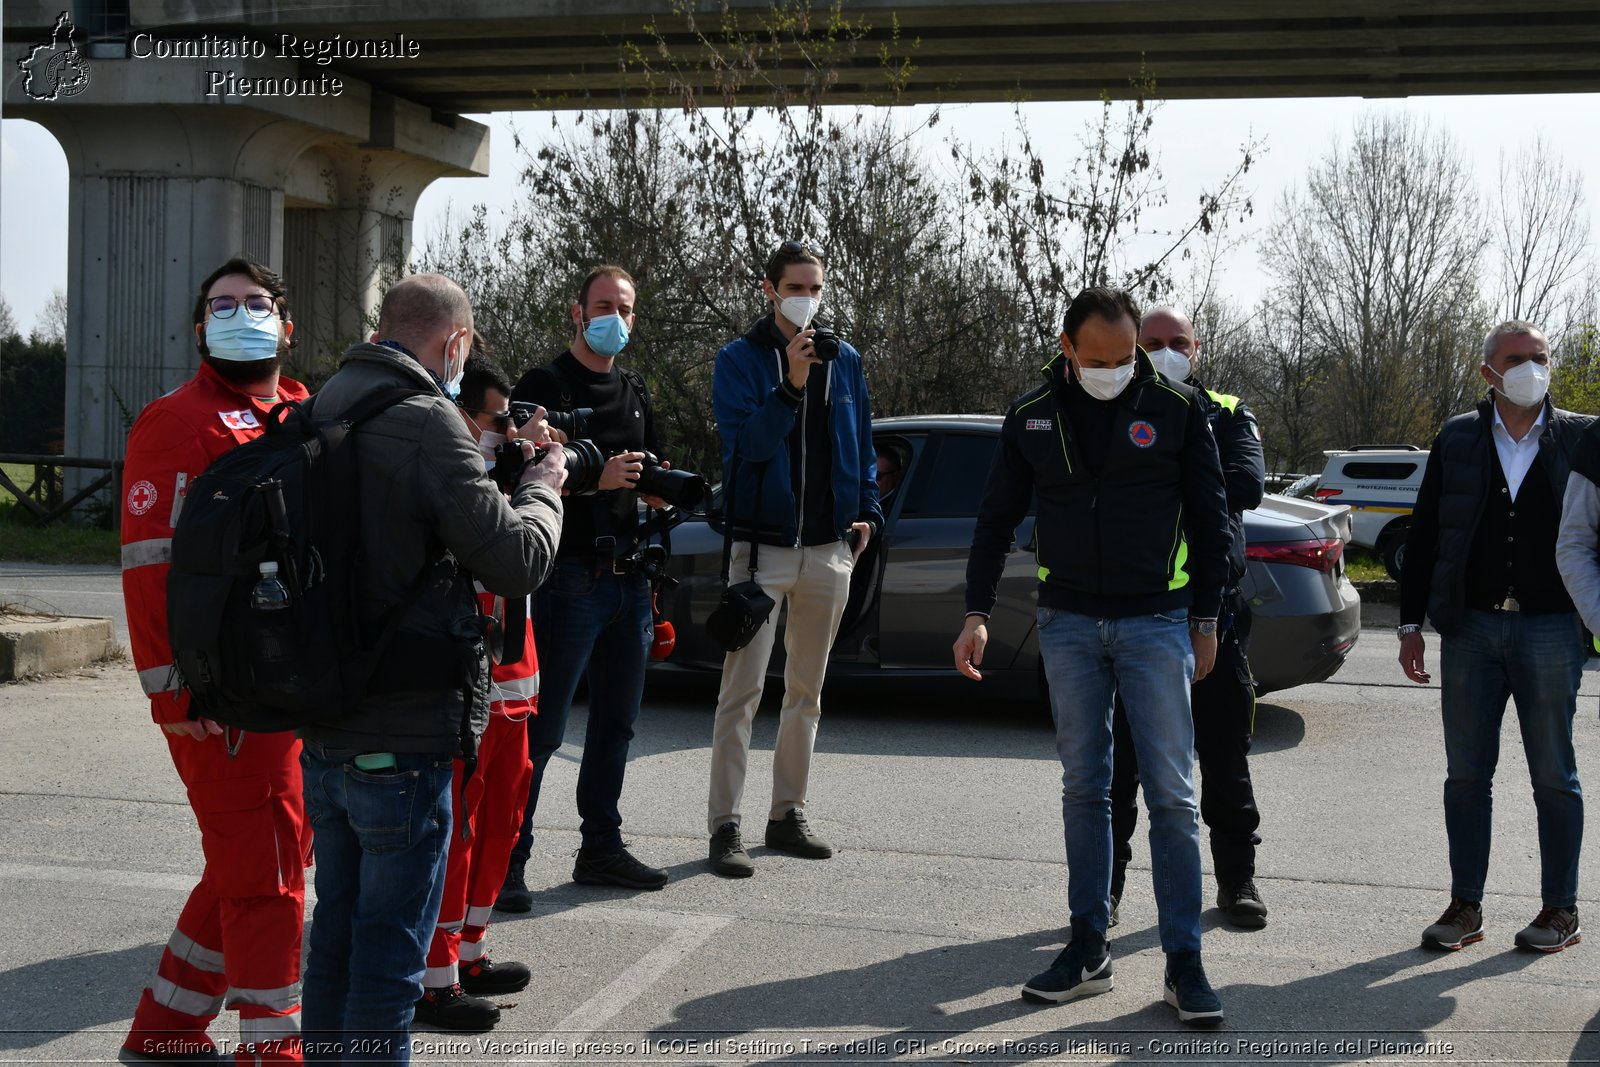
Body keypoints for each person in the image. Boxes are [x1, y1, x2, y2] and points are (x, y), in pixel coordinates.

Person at [297, 274, 564, 1063]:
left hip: (327, 718)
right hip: (405, 727)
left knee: (337, 938)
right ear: (454, 344)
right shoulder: (427, 423)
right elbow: (515, 559)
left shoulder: (319, 405)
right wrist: (544, 490)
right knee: (389, 956)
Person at [954, 286, 1231, 1027]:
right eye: (1098, 359)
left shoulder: (1176, 410)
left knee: (1173, 795)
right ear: (1068, 347)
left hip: (1156, 623)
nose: (1114, 371)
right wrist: (976, 612)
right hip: (1068, 623)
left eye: (1125, 356)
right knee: (1086, 787)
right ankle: (1087, 947)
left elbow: (1212, 524)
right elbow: (995, 518)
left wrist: (1206, 619)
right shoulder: (1031, 415)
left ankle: (1184, 960)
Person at [119, 257, 311, 1066]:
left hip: (293, 682)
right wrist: (176, 695)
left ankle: (166, 1023)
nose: (239, 314)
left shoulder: (303, 410)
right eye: (222, 305)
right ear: (201, 329)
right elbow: (148, 570)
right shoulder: (176, 420)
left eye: (256, 303)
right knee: (266, 866)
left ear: (286, 325)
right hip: (221, 695)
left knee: (270, 851)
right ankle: (272, 1049)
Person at [1401, 319, 1591, 954]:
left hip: (1552, 628)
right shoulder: (1457, 438)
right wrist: (1410, 625)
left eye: (1539, 357)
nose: (1531, 368)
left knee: (1554, 775)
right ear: (1488, 372)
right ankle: (1465, 907)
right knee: (1466, 776)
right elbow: (1426, 534)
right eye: (1517, 358)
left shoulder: (1582, 440)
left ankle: (1559, 909)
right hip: (1473, 628)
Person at [704, 240, 882, 878]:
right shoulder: (739, 359)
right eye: (796, 286)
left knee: (806, 691)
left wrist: (868, 514)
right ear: (769, 290)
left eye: (816, 286)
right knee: (742, 692)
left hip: (828, 549)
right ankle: (725, 826)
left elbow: (862, 444)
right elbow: (747, 447)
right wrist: (791, 382)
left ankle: (786, 814)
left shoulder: (847, 360)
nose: (808, 297)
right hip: (761, 552)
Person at [497, 264, 673, 903]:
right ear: (577, 312)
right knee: (541, 730)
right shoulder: (545, 385)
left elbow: (649, 472)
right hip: (567, 577)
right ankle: (508, 860)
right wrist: (588, 481)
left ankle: (600, 847)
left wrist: (656, 489)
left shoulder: (635, 388)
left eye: (626, 309)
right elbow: (516, 471)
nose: (615, 320)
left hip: (629, 579)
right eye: (604, 306)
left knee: (616, 725)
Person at [1109, 306, 1268, 930]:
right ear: (1133, 348)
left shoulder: (1227, 411)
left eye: (1178, 342)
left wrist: (1157, 482)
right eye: (1153, 344)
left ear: (1196, 348)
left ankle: (1237, 882)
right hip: (1130, 614)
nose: (1166, 352)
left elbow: (1245, 485)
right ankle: (1109, 887)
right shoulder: (1113, 406)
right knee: (1118, 766)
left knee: (1225, 759)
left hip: (1213, 617)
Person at [415, 352, 551, 1032]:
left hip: (514, 674)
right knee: (457, 827)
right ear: (461, 416)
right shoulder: (444, 473)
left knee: (503, 814)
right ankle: (433, 976)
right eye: (497, 418)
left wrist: (538, 473)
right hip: (466, 680)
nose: (508, 430)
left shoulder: (507, 472)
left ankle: (471, 948)